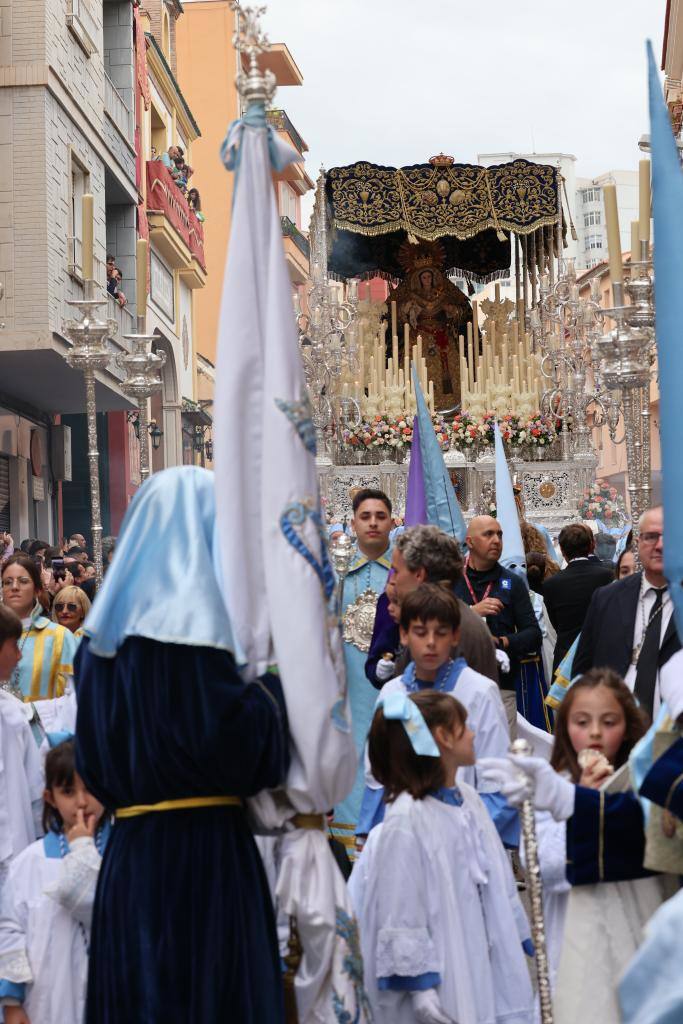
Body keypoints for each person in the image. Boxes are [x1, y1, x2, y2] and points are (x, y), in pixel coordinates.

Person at [75, 466, 290, 1023]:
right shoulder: (207, 649)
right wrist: (270, 682)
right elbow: (255, 757)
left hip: (132, 854)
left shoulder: (95, 651)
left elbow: (91, 763)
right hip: (210, 856)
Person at [481, 669, 674, 1024]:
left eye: (609, 721)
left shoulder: (639, 785)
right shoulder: (548, 785)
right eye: (582, 722)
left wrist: (586, 802)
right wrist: (577, 798)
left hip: (632, 931)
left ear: (629, 727)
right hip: (568, 945)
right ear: (565, 727)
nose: (595, 733)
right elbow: (545, 865)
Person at [349, 689, 533, 1024]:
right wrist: (418, 986)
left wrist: (512, 930)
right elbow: (400, 904)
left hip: (473, 944)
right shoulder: (407, 819)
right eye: (464, 727)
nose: (474, 733)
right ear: (443, 739)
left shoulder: (468, 800)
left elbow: (497, 875)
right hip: (442, 965)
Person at [358, 584, 516, 847]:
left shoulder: (479, 691)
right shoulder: (393, 694)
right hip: (404, 839)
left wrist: (467, 837)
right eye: (420, 632)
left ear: (455, 636)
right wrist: (369, 837)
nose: (430, 643)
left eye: (440, 633)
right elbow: (377, 775)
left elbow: (495, 777)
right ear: (404, 635)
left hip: (465, 839)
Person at [0, 738, 109, 1024]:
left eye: (91, 789)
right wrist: (12, 1002)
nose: (82, 802)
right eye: (69, 791)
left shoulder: (121, 855)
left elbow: (97, 908)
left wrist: (83, 848)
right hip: (47, 1004)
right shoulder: (28, 863)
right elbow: (10, 932)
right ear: (50, 797)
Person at [573, 506, 681, 718]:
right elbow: (583, 670)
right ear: (638, 543)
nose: (660, 545)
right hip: (614, 730)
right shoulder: (606, 598)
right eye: (651, 537)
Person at [335, 488, 393, 844]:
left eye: (380, 516)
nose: (373, 523)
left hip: (391, 687)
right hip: (347, 685)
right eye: (365, 517)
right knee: (351, 751)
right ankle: (347, 831)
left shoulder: (403, 573)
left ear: (391, 521)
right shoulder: (336, 573)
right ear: (353, 522)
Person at [454, 515, 542, 734]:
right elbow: (435, 625)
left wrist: (502, 642)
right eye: (488, 534)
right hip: (455, 685)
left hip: (500, 686)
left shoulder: (512, 582)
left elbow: (533, 634)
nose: (496, 540)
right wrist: (472, 613)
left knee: (502, 760)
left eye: (499, 535)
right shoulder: (451, 579)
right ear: (470, 541)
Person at [388, 524, 499, 683]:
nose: (393, 580)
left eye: (396, 571)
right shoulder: (447, 616)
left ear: (419, 575)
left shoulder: (447, 624)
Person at [0, 556, 79, 704]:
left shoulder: (60, 637)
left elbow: (76, 696)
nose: (14, 587)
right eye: (7, 582)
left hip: (42, 726)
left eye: (23, 581)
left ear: (37, 590)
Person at [543, 523, 615, 672]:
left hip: (566, 656)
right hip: (600, 654)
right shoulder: (607, 576)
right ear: (592, 546)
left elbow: (555, 622)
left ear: (562, 551)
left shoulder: (551, 584)